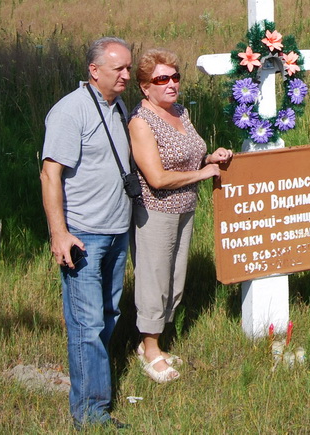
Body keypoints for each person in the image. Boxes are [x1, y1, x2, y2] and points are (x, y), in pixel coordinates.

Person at [40, 36, 135, 428]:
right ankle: (91, 414)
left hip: (116, 231)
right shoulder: (70, 111)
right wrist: (59, 234)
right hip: (84, 236)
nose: (127, 75)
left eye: (129, 67)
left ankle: (93, 392)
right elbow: (50, 174)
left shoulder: (118, 107)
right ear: (94, 71)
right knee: (87, 324)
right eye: (119, 69)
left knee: (108, 315)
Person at [127, 49, 233, 383]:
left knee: (174, 278)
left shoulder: (180, 112)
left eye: (175, 77)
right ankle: (149, 349)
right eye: (162, 79)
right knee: (154, 279)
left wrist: (209, 159)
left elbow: (189, 157)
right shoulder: (141, 122)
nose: (171, 84)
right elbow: (156, 178)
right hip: (155, 211)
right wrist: (204, 175)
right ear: (145, 87)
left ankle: (154, 344)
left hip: (185, 207)